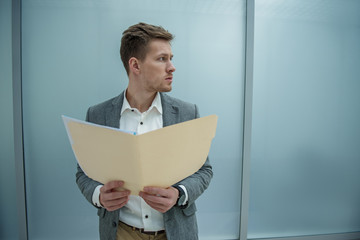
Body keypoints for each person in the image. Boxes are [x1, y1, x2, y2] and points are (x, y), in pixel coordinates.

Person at [76, 22, 213, 240]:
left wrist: (179, 194)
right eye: (162, 59)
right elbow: (84, 172)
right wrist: (98, 195)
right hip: (120, 232)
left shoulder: (187, 113)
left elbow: (204, 171)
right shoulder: (98, 114)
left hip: (175, 232)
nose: (172, 67)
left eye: (171, 58)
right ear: (135, 66)